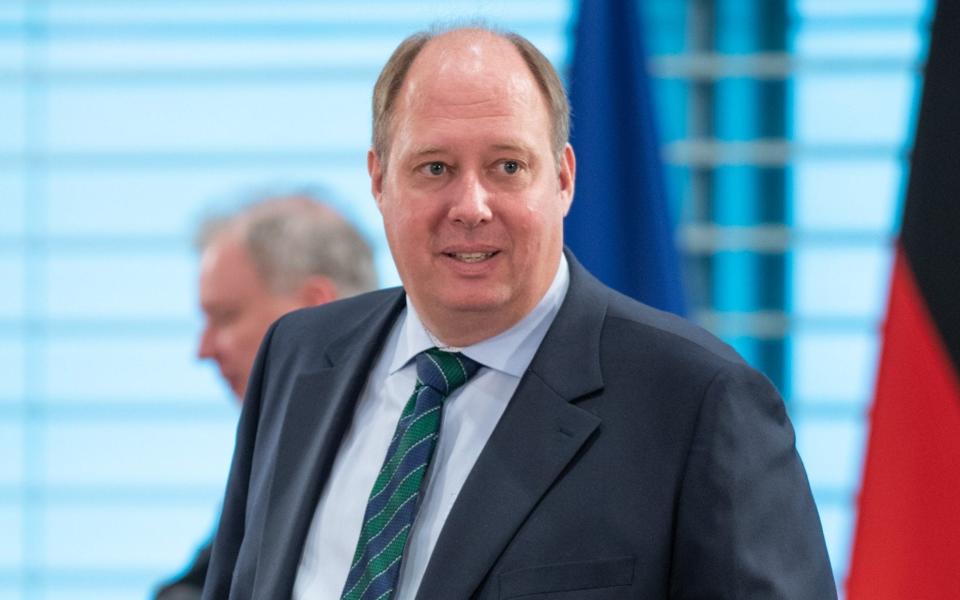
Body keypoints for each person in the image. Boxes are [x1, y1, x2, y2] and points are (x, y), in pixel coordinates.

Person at [203, 26, 836, 599]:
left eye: (508, 166)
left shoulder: (699, 403)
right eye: (435, 167)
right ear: (378, 180)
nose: (471, 206)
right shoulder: (299, 356)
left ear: (563, 179)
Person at [153, 194, 377, 600]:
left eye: (226, 316)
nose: (203, 350)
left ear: (314, 309)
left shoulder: (410, 432)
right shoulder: (282, 439)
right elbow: (202, 585)